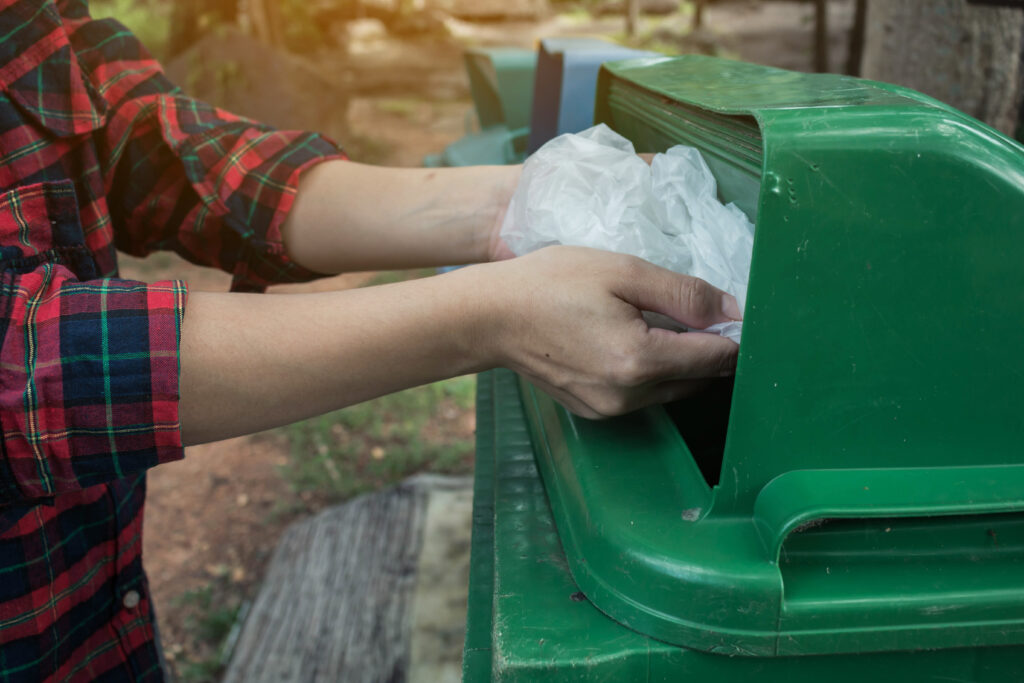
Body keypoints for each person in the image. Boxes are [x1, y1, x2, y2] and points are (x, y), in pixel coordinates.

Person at [0, 1, 740, 680]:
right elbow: (26, 364)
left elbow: (167, 155)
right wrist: (483, 316)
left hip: (97, 625)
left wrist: (519, 205)